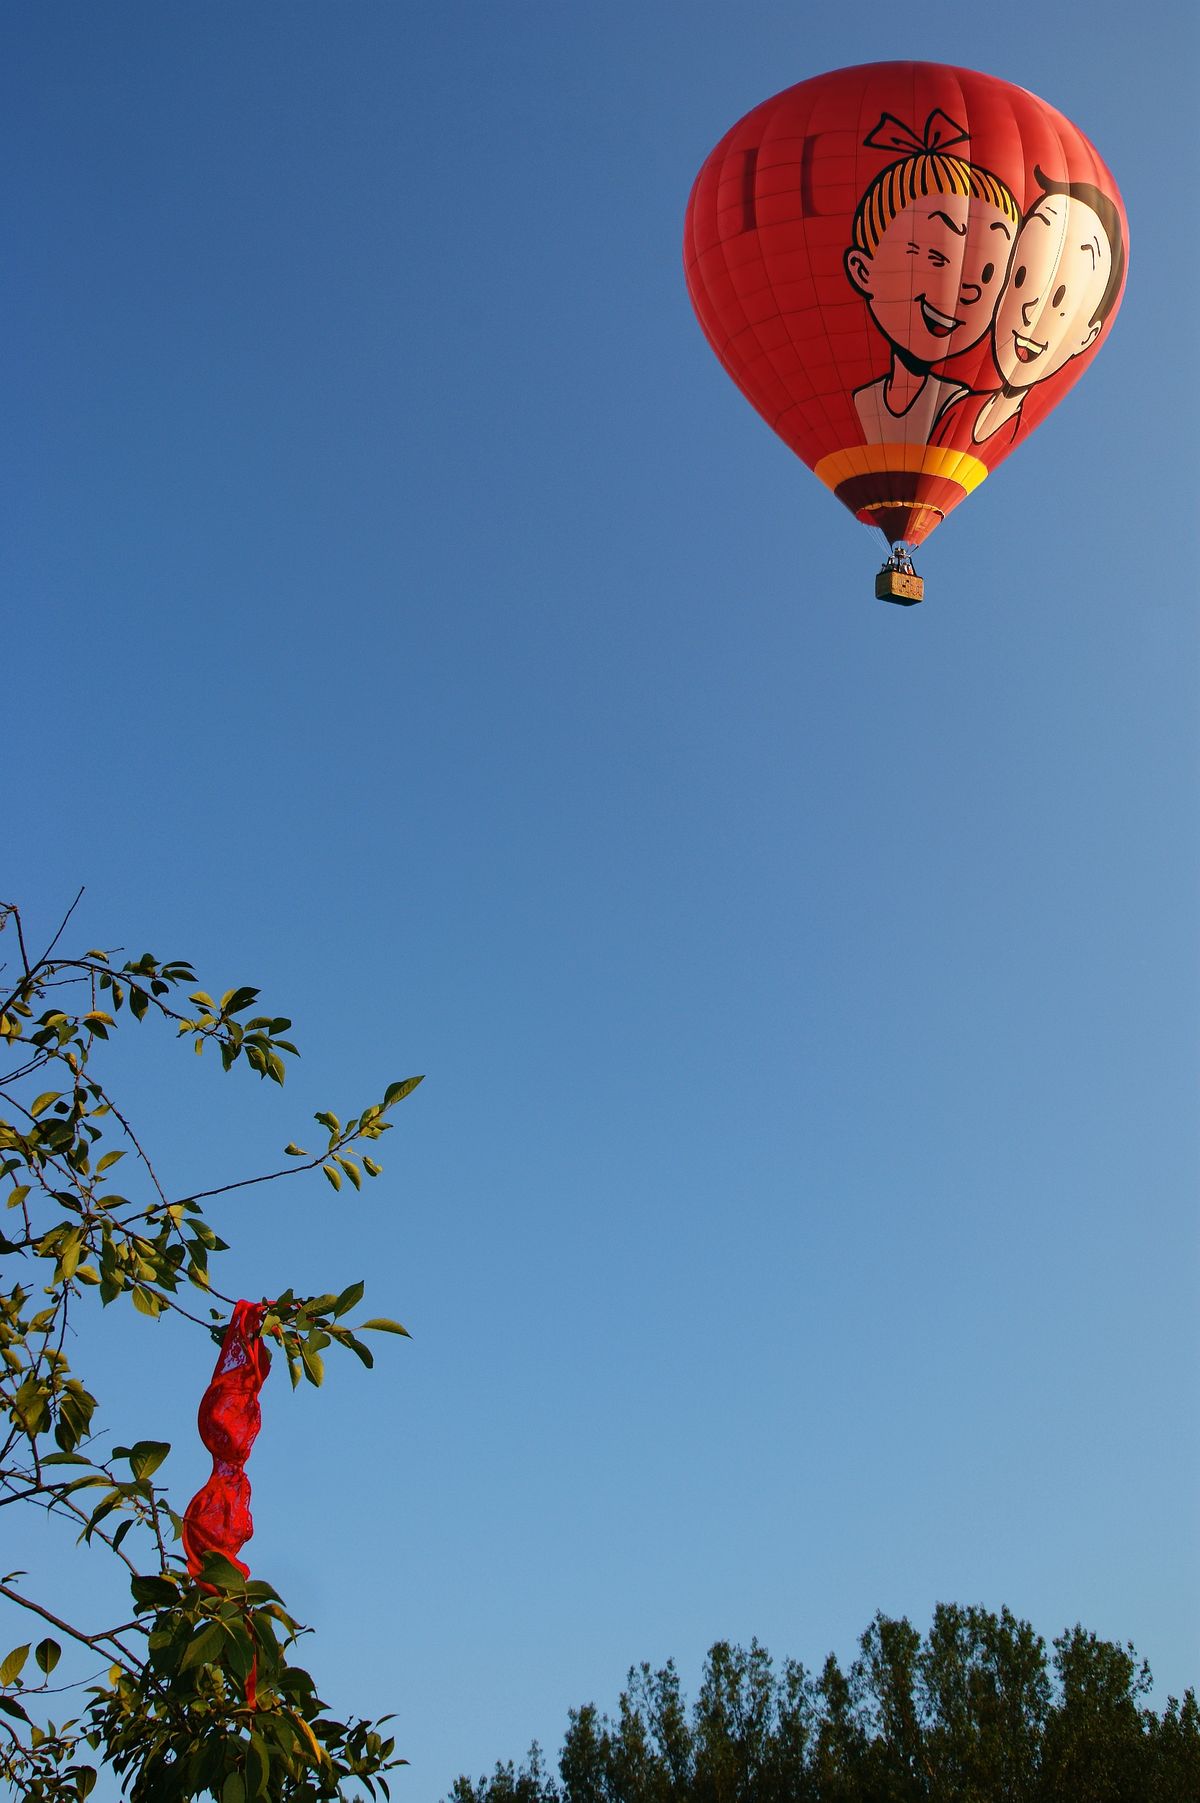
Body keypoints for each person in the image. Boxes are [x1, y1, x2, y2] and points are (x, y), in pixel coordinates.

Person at [843, 111, 1021, 445]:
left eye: (988, 275)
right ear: (862, 269)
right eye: (937, 259)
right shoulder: (860, 400)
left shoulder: (965, 408)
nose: (965, 289)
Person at [933, 167, 1125, 447]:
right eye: (1021, 277)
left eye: (1062, 300)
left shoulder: (971, 417)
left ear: (1088, 335)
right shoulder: (950, 411)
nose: (1031, 308)